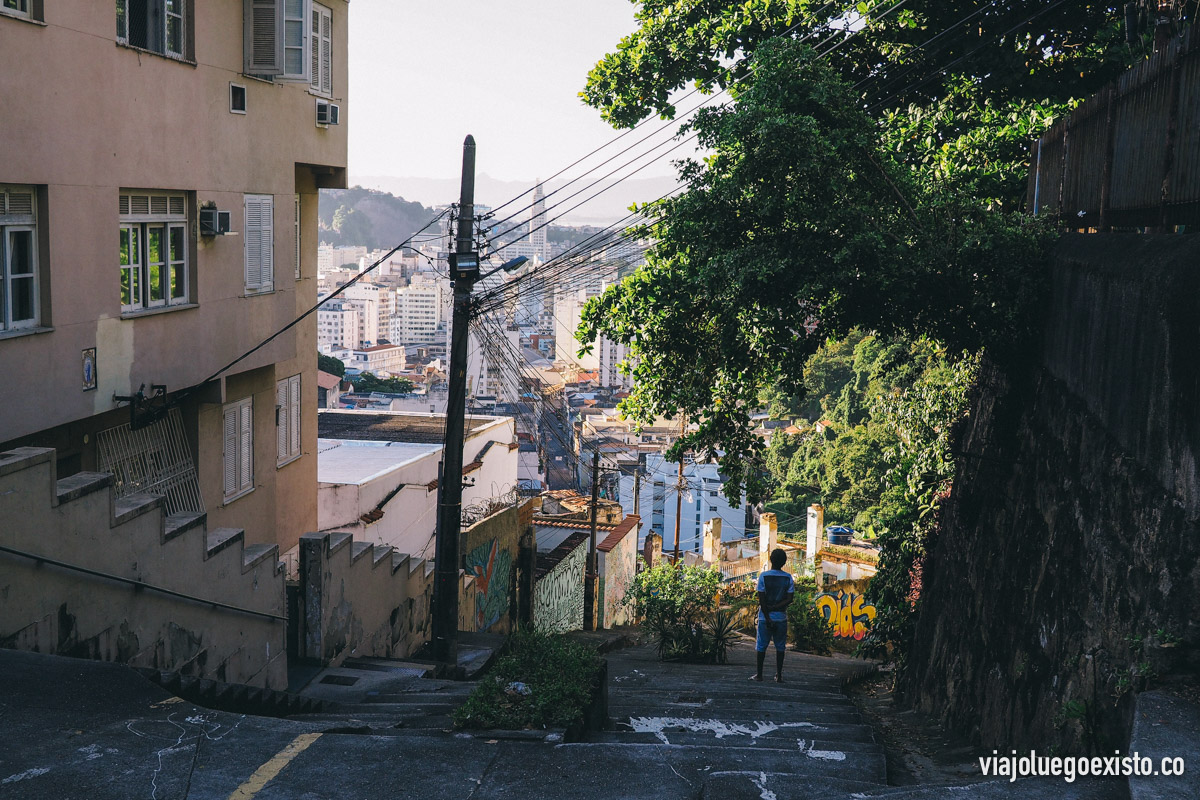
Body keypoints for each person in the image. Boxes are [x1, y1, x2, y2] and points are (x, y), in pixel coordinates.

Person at [752, 548, 795, 682]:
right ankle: (779, 675)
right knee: (780, 647)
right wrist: (776, 607)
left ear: (770, 559)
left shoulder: (763, 576)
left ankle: (759, 675)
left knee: (761, 646)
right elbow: (789, 599)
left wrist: (768, 615)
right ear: (784, 562)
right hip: (781, 617)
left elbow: (761, 599)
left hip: (765, 617)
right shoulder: (788, 578)